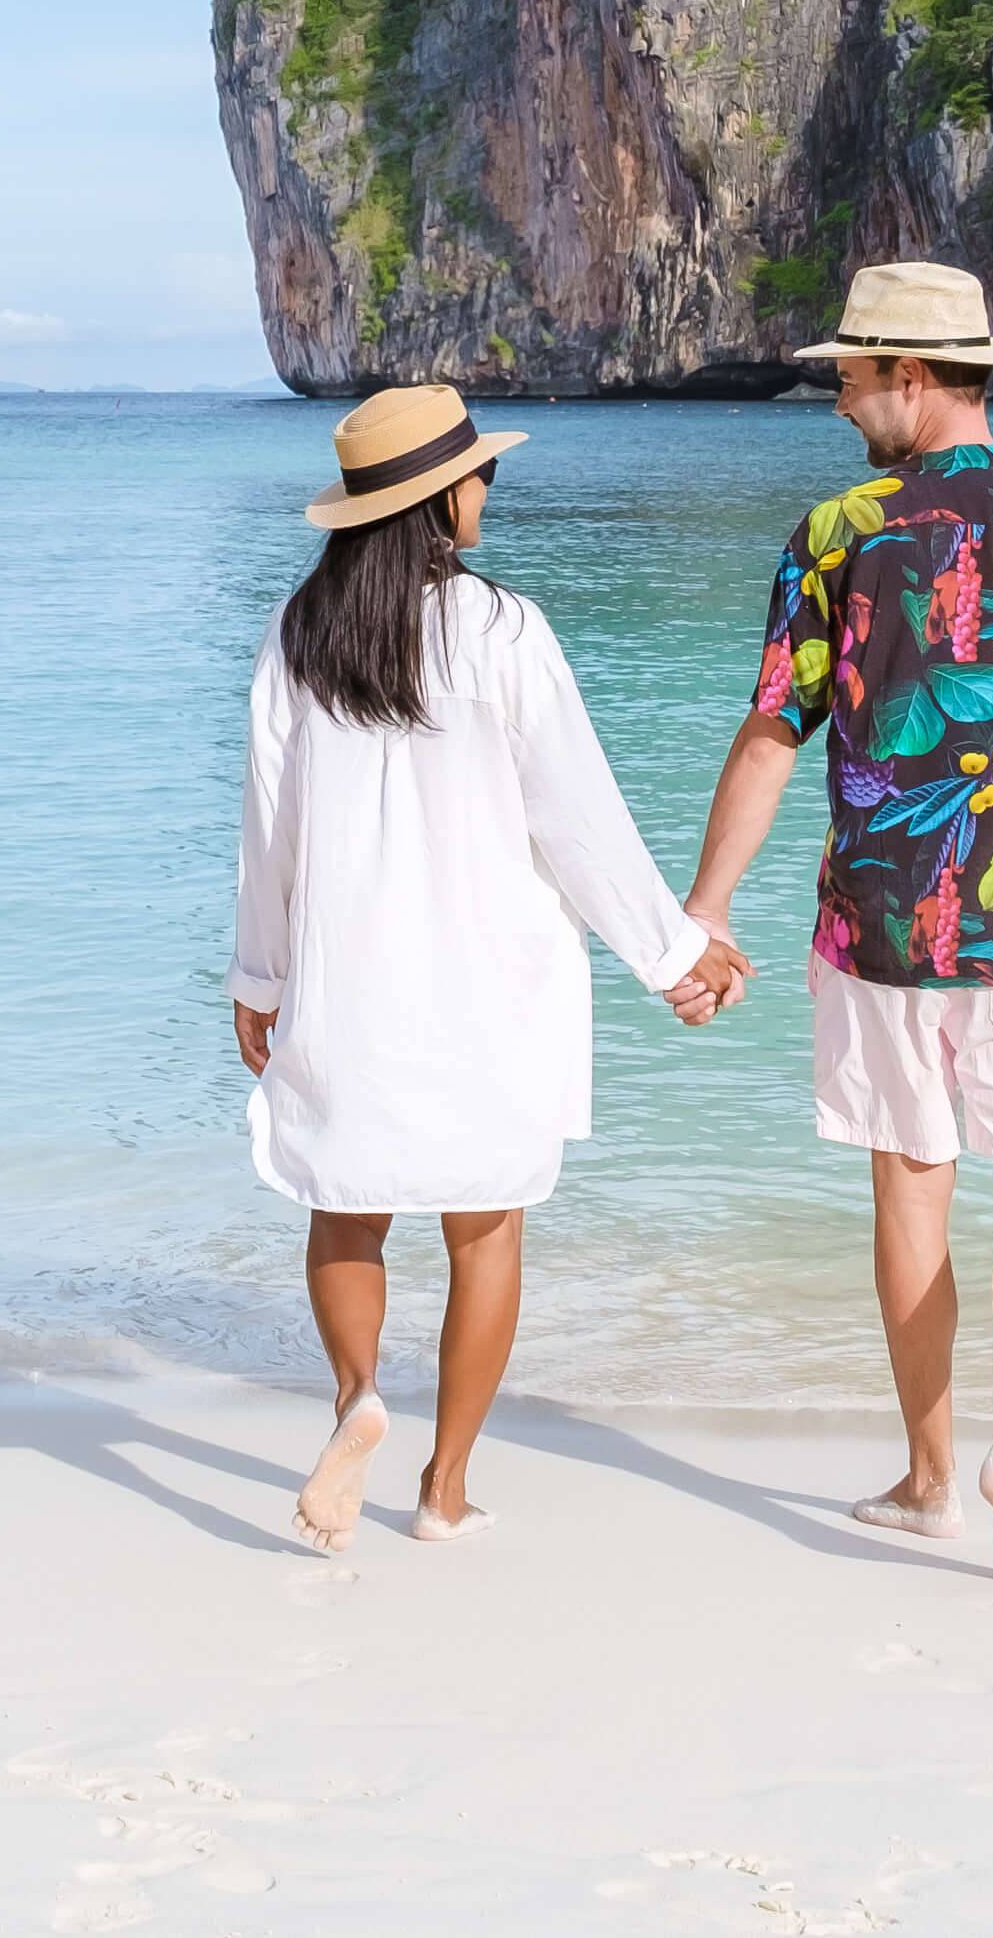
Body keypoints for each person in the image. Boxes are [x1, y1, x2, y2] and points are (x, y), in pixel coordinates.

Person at [678, 262, 993, 1588]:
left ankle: (926, 1476)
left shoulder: (839, 528)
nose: (838, 396)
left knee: (913, 1179)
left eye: (849, 374)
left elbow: (771, 733)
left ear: (911, 376)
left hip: (882, 926)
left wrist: (705, 904)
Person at [231, 383, 746, 1552]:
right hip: (489, 989)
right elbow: (576, 818)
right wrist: (671, 952)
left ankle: (358, 1395)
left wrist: (258, 976)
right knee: (485, 1232)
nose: (484, 493)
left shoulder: (298, 633)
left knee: (344, 1212)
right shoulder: (504, 629)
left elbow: (270, 827)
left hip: (346, 978)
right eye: (479, 478)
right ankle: (444, 1488)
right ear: (441, 500)